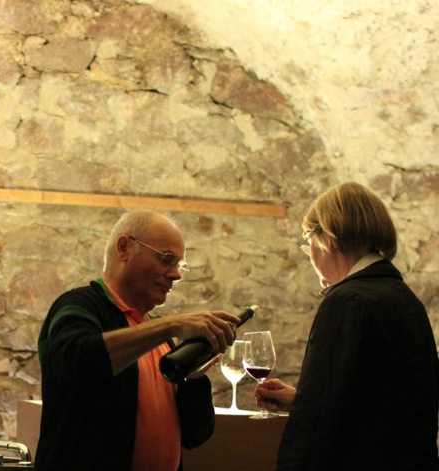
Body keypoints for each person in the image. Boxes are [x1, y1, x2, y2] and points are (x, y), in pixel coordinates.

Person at [34, 209, 240, 471]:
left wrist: (195, 378)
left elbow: (195, 435)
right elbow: (75, 364)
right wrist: (170, 325)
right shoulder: (79, 306)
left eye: (179, 265)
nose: (176, 275)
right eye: (167, 259)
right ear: (124, 248)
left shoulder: (160, 336)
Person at [254, 182, 439, 470]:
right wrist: (302, 400)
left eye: (308, 243)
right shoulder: (404, 297)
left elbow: (316, 429)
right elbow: (381, 401)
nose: (310, 255)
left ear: (328, 238)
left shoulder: (347, 300)